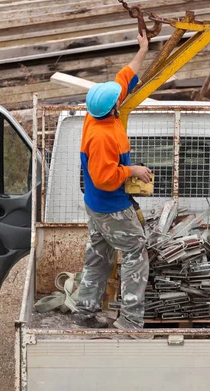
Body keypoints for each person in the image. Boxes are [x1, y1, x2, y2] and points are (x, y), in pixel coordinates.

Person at [74, 30, 153, 335]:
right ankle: (130, 320)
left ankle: (86, 310)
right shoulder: (104, 135)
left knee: (99, 253)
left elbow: (124, 76)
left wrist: (143, 49)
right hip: (110, 205)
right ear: (114, 108)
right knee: (135, 253)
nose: (121, 95)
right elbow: (105, 179)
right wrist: (132, 171)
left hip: (94, 206)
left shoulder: (96, 112)